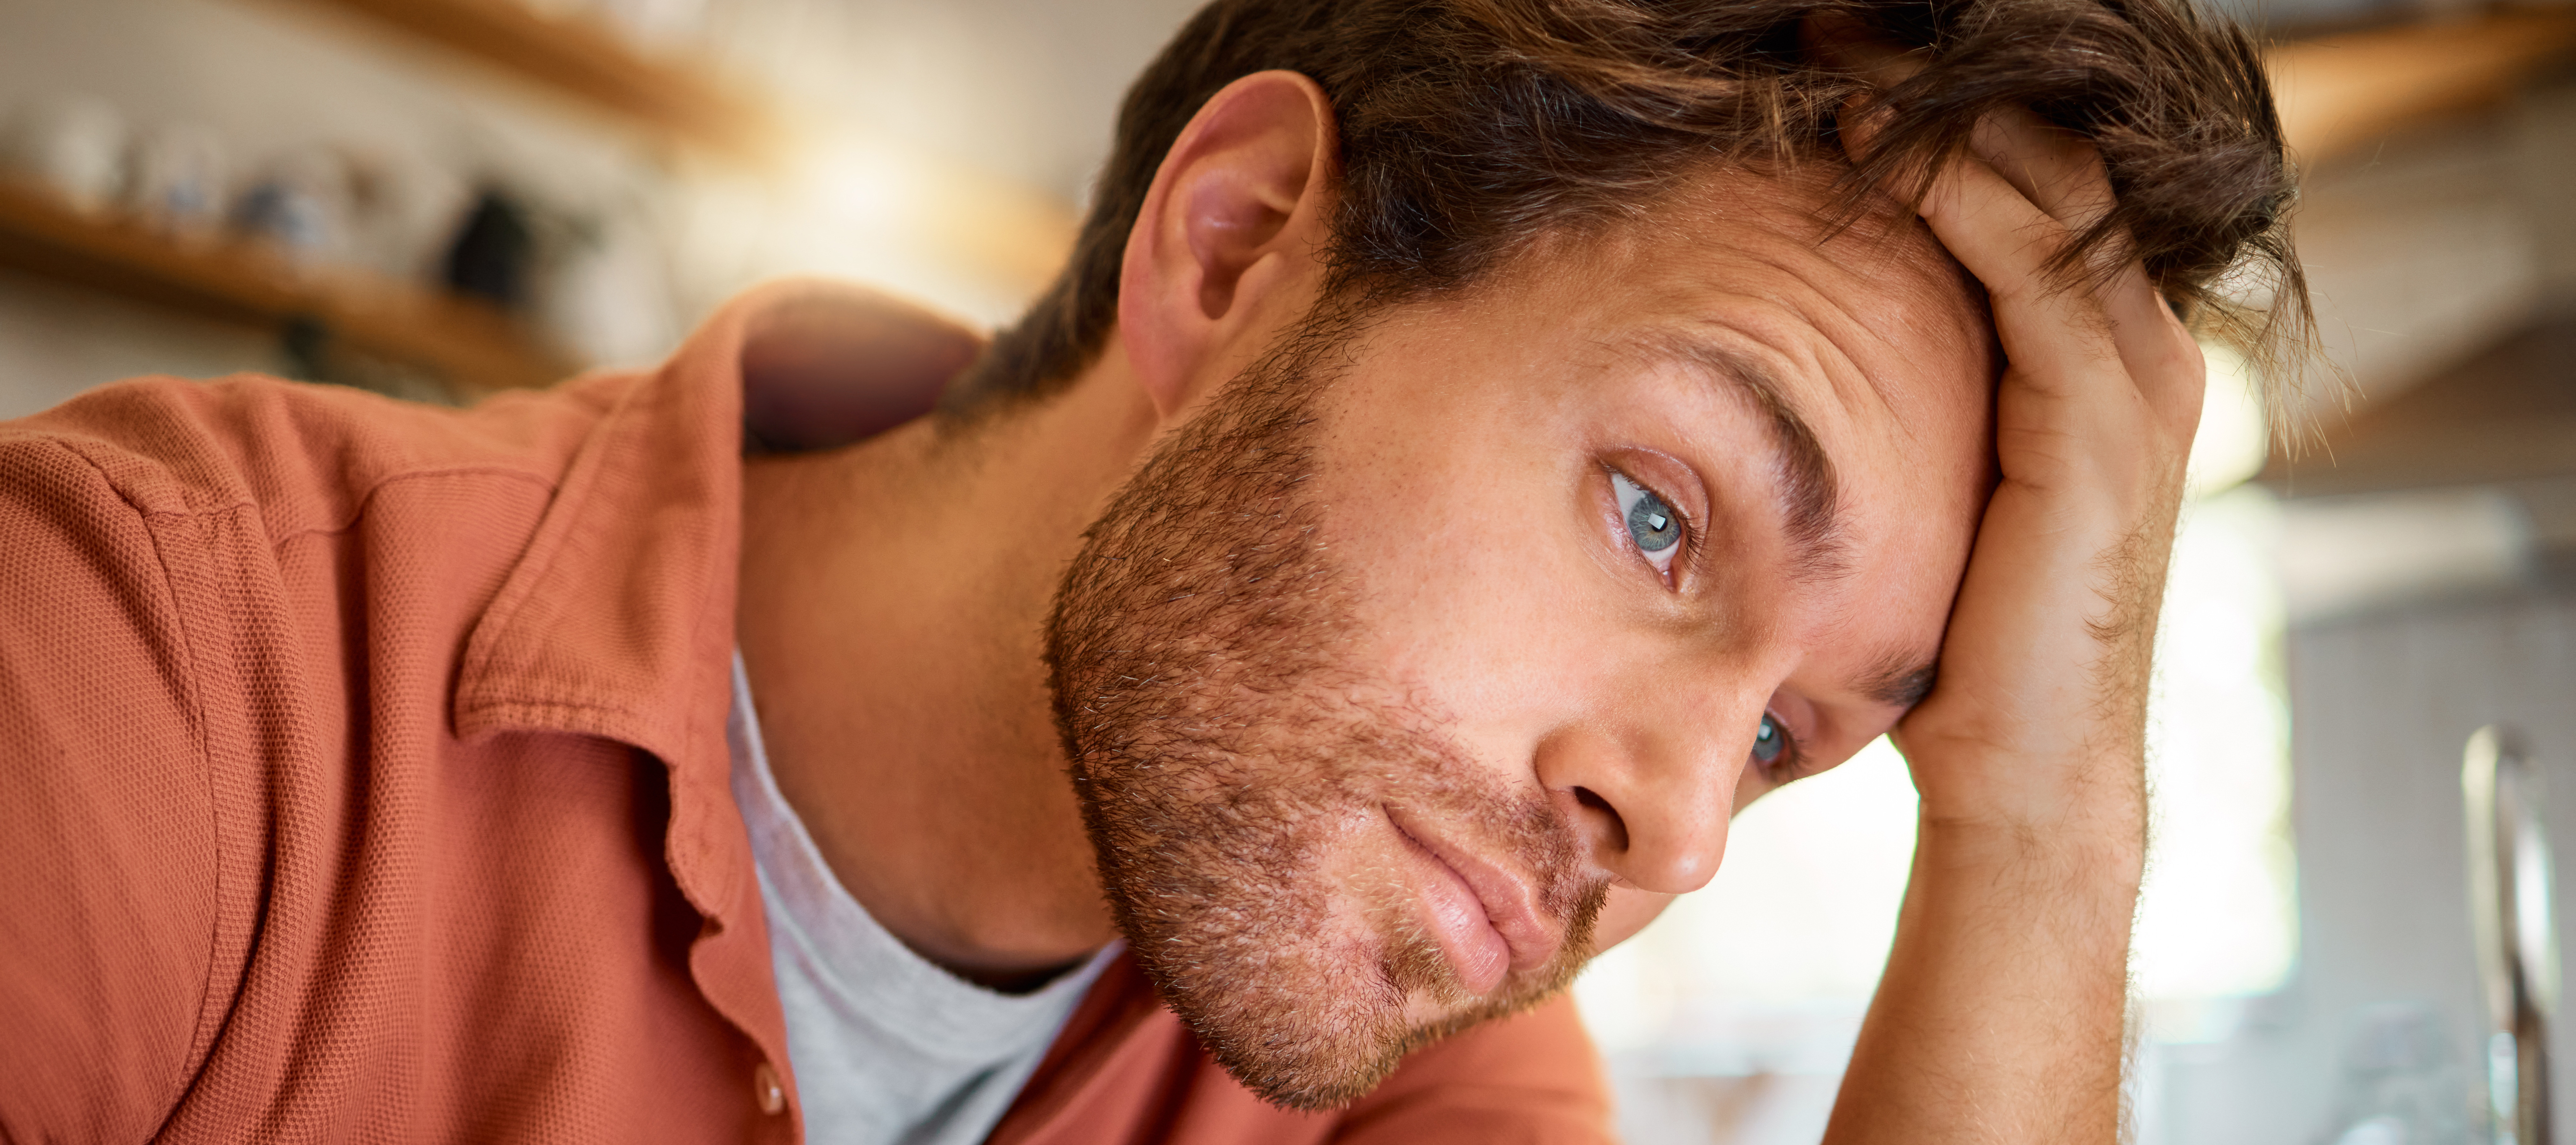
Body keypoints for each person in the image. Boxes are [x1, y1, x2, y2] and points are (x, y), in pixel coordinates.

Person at [0, 0, 2304, 1140]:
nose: (1683, 831)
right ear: (1234, 254)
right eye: (1659, 515)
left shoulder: (1408, 1059)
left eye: (1797, 736)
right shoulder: (163, 662)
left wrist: (2048, 808)